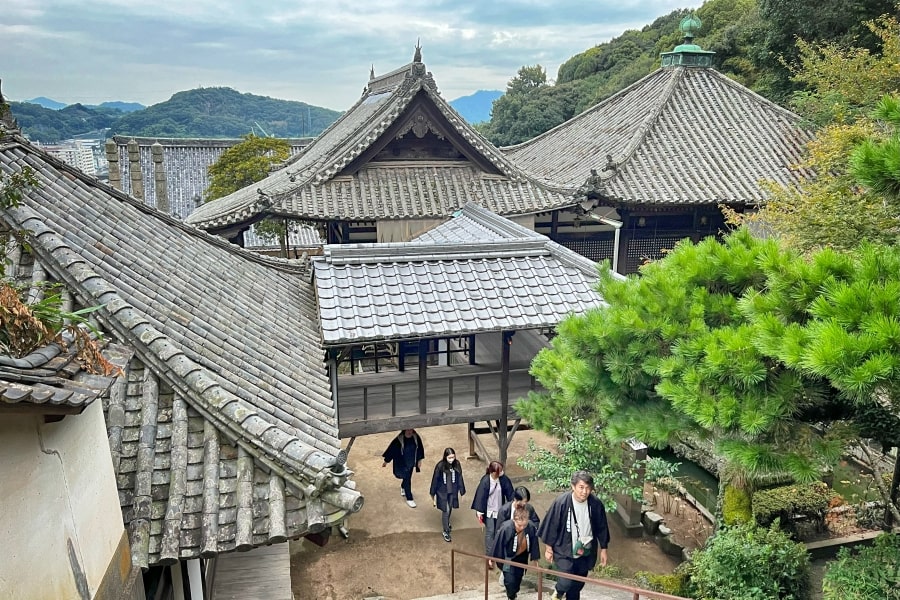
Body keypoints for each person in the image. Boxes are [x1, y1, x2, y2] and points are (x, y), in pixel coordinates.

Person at [537, 471, 610, 600]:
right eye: (581, 487)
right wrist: (549, 548)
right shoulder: (561, 502)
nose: (584, 492)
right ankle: (558, 593)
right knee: (566, 582)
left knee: (577, 584)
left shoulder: (595, 504)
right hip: (564, 548)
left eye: (588, 488)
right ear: (573, 486)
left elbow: (601, 526)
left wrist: (603, 549)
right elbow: (552, 525)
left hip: (585, 550)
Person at [471, 460, 514, 567]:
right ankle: (490, 556)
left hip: (500, 510)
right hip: (489, 511)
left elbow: (510, 493)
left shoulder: (503, 480)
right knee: (490, 532)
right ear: (495, 472)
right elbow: (480, 497)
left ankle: (498, 552)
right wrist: (479, 512)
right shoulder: (485, 481)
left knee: (498, 531)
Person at [490, 506, 540, 600]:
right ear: (514, 521)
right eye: (519, 525)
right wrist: (492, 559)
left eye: (524, 525)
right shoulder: (506, 528)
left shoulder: (530, 527)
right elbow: (497, 543)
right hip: (508, 558)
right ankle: (511, 596)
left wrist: (535, 559)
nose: (522, 528)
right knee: (509, 580)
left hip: (522, 557)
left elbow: (534, 543)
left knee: (518, 578)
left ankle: (514, 594)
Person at [429, 447, 466, 542]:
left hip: (452, 491)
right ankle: (446, 530)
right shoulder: (440, 466)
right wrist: (432, 493)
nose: (451, 459)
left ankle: (447, 522)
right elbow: (435, 480)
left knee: (450, 508)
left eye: (453, 457)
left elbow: (460, 478)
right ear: (445, 457)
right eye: (449, 457)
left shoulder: (457, 464)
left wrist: (462, 492)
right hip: (442, 492)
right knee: (446, 510)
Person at [382, 429, 424, 508]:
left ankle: (406, 493)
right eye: (407, 430)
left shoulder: (416, 437)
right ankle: (406, 493)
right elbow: (391, 451)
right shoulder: (398, 440)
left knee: (407, 479)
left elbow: (420, 449)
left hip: (411, 463)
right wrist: (386, 461)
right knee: (405, 477)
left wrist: (419, 460)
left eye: (411, 430)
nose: (409, 432)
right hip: (401, 464)